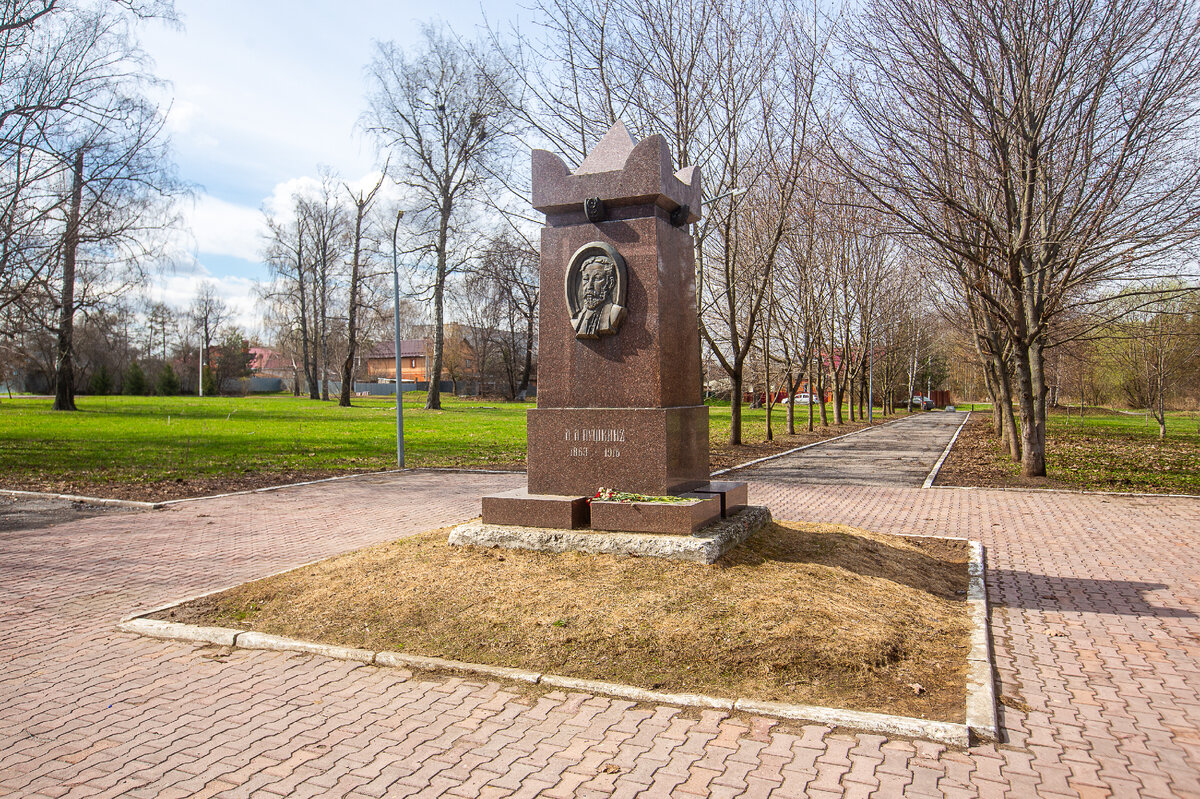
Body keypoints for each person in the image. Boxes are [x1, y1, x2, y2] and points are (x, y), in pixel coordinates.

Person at [571, 255, 626, 338]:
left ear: (610, 283)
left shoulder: (615, 313)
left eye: (597, 278)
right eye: (586, 279)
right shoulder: (577, 319)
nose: (589, 286)